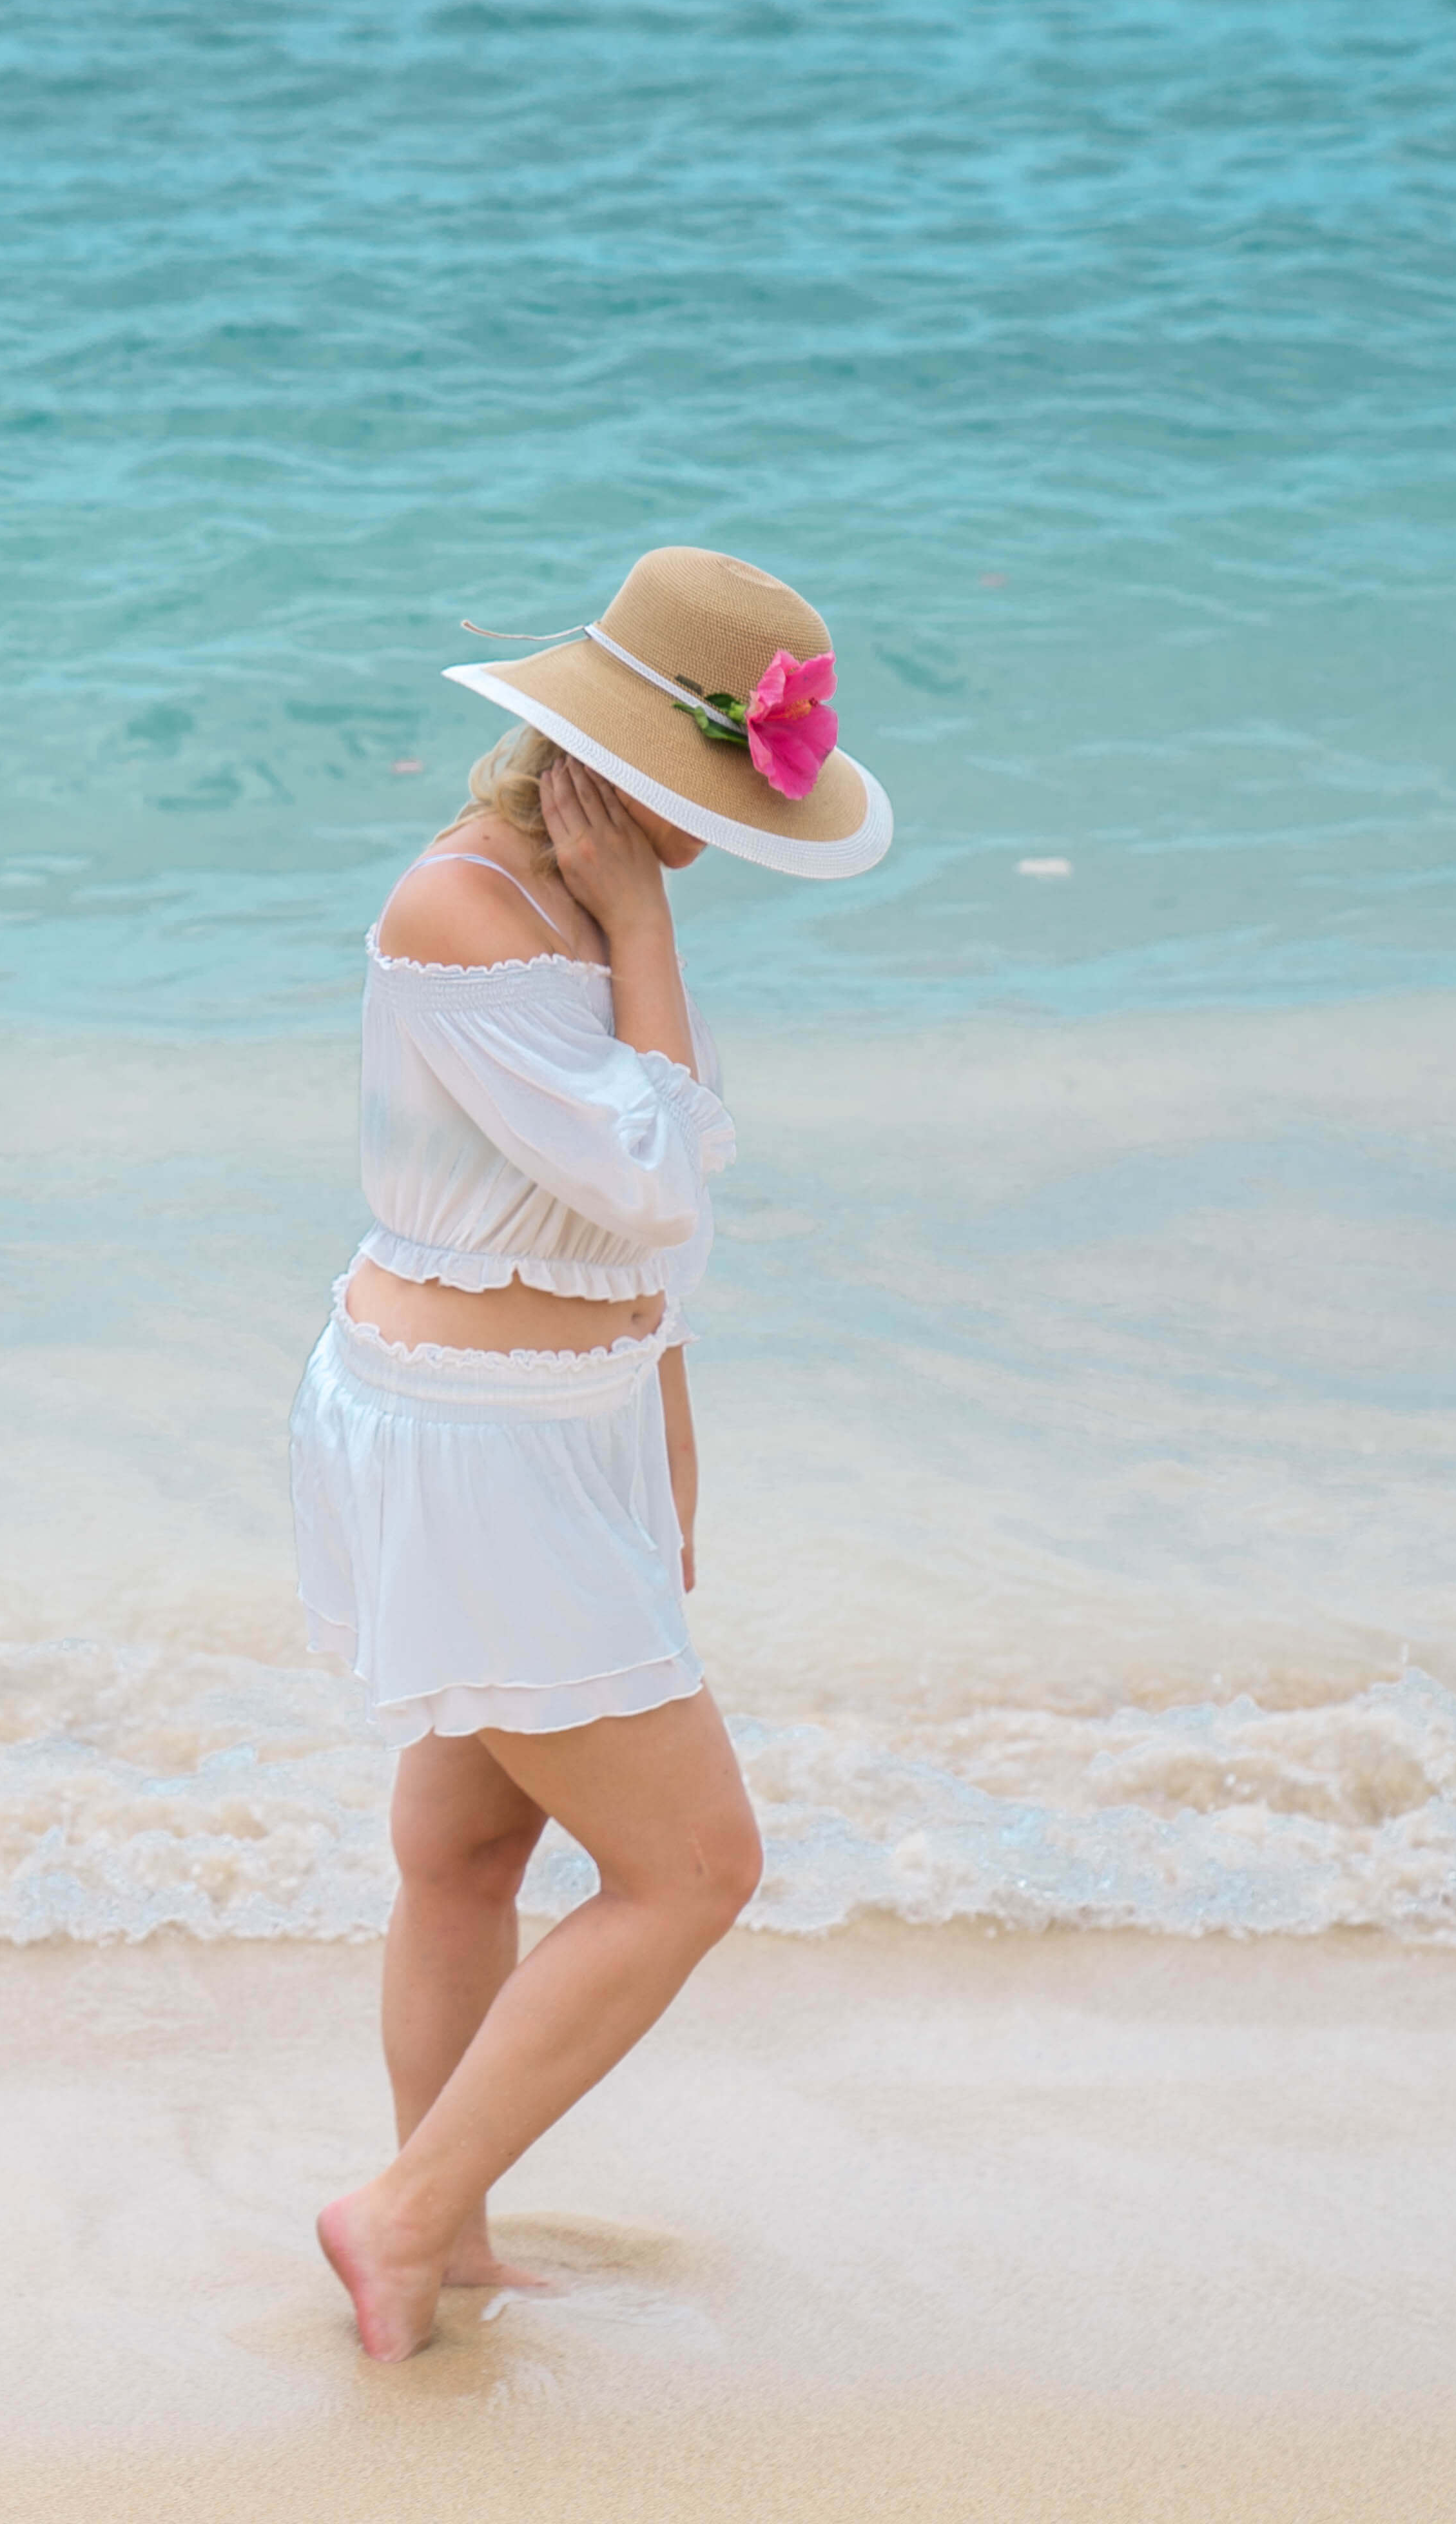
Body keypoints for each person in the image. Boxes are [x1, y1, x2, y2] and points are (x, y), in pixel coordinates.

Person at [293, 547, 893, 2359]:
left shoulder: (572, 914)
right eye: (704, 798)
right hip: (468, 1439)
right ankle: (395, 2215)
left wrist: (666, 1459)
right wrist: (649, 931)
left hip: (562, 1433)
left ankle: (447, 2245)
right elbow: (642, 1176)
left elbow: (648, 1250)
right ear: (616, 768)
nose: (719, 835)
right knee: (697, 1867)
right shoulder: (464, 913)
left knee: (465, 1854)